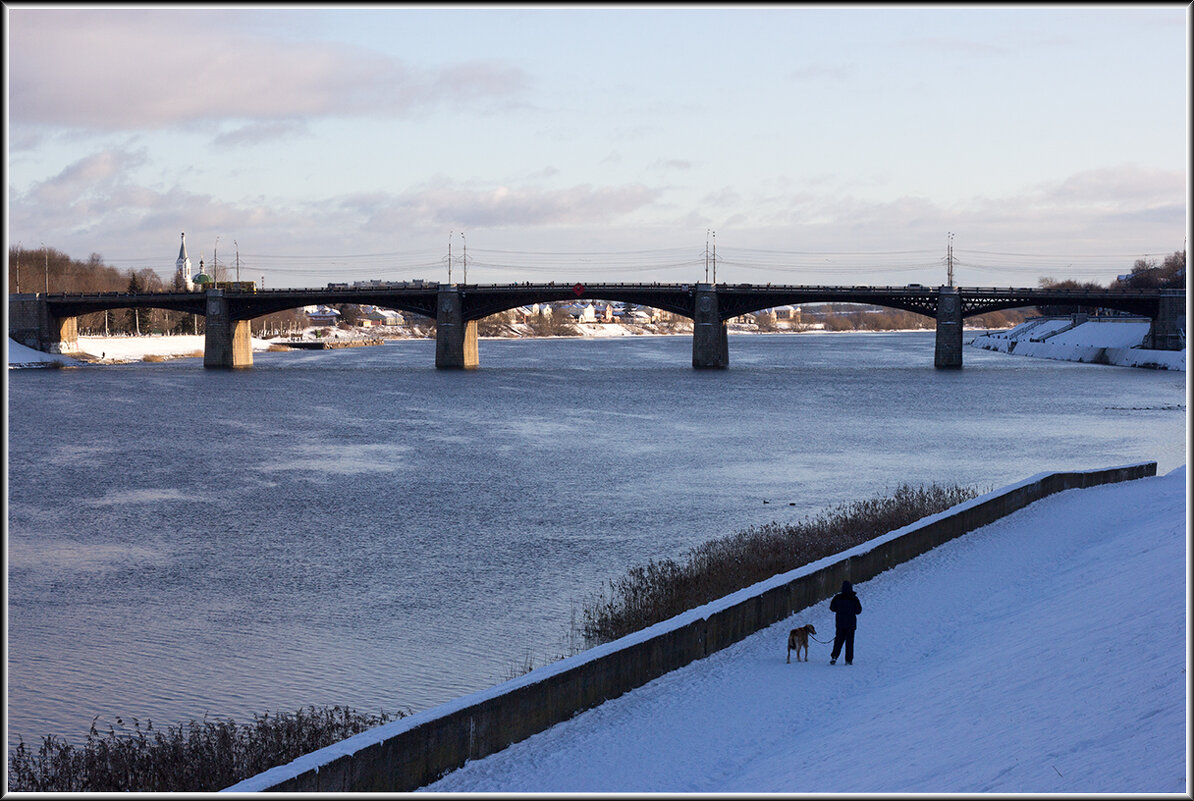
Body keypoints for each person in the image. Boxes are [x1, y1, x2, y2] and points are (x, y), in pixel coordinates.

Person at [829, 580, 862, 665]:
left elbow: (832, 608)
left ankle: (834, 656)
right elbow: (858, 611)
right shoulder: (854, 599)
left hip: (840, 623)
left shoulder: (837, 598)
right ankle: (848, 659)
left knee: (838, 641)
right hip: (851, 624)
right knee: (849, 643)